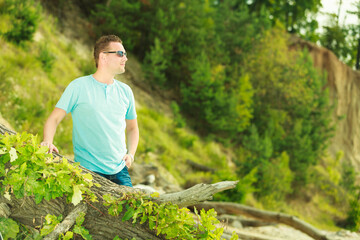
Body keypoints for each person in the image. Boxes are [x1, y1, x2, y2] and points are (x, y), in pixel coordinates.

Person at [41, 35, 139, 187]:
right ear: (103, 57)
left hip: (120, 170)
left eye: (125, 54)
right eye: (120, 53)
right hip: (88, 171)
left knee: (132, 210)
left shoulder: (126, 91)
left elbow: (133, 128)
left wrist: (131, 155)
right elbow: (53, 119)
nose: (125, 58)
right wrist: (48, 141)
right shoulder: (78, 86)